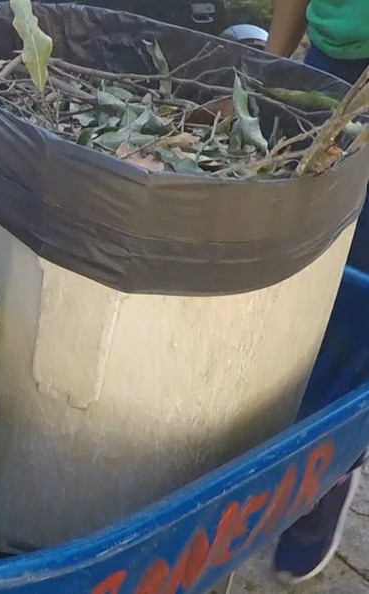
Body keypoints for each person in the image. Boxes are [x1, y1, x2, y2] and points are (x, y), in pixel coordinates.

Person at [265, 0, 369, 584]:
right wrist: (270, 67)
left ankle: (332, 462)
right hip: (331, 57)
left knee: (355, 278)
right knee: (296, 259)